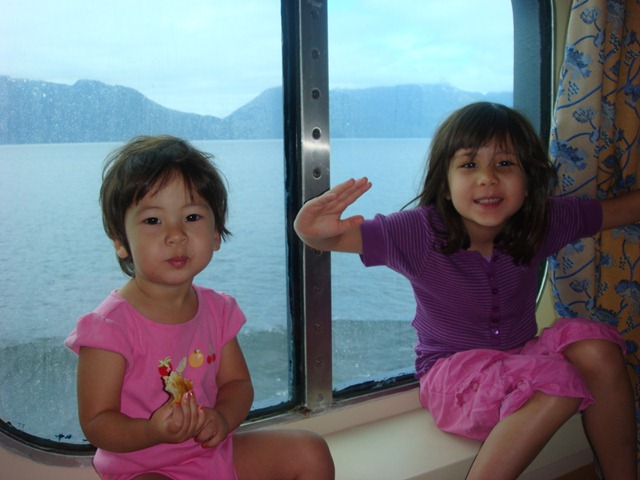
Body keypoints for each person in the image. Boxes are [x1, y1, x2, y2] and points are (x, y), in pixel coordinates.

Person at [294, 102, 639, 480]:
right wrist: (310, 230)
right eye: (470, 164)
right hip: (453, 376)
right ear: (445, 184)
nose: (488, 178)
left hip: (523, 357)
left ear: (529, 182)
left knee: (598, 349)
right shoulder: (418, 233)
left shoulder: (542, 221)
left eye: (505, 163)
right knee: (558, 386)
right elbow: (331, 238)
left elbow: (619, 211)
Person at [65, 135, 335, 480]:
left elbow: (237, 384)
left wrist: (223, 418)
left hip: (212, 455)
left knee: (310, 452)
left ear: (215, 235)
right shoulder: (109, 327)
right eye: (153, 221)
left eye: (192, 217)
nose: (176, 235)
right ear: (121, 242)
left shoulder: (217, 310)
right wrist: (151, 431)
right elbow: (97, 422)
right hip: (144, 469)